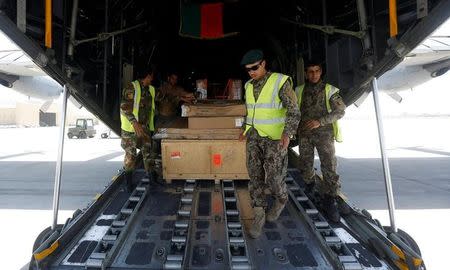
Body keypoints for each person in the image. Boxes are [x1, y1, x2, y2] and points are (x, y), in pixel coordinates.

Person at [240, 49, 300, 238]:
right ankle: (258, 214)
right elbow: (252, 111)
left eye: (255, 68)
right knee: (255, 177)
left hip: (275, 139)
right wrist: (245, 129)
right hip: (254, 138)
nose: (251, 72)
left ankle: (281, 199)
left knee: (274, 179)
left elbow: (294, 111)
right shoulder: (249, 86)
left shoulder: (280, 82)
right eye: (248, 69)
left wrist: (288, 133)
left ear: (263, 64)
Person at [295, 60, 346, 222]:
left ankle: (330, 198)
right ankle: (309, 188)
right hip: (305, 135)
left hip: (324, 135)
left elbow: (340, 111)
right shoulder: (299, 90)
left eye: (316, 71)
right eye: (310, 71)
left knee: (329, 166)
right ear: (305, 74)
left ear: (321, 71)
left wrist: (320, 121)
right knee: (305, 163)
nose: (314, 74)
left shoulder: (330, 90)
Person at [120, 66, 157, 190]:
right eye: (151, 76)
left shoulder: (150, 89)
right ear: (148, 76)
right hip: (130, 130)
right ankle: (128, 185)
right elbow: (124, 106)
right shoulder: (132, 87)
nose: (152, 78)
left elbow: (161, 96)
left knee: (148, 154)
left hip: (144, 128)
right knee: (130, 157)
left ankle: (153, 181)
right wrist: (134, 123)